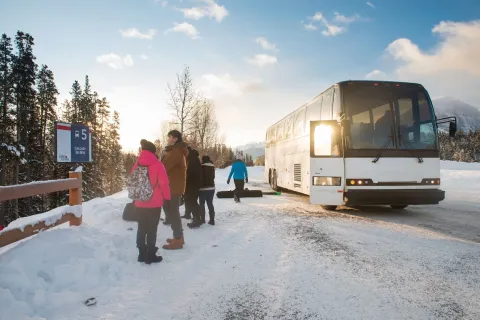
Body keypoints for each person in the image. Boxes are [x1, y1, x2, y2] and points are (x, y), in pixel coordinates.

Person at [130, 139, 171, 264]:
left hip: (140, 202)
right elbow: (164, 184)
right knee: (152, 229)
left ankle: (141, 254)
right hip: (154, 204)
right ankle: (150, 254)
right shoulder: (158, 164)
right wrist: (167, 198)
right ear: (154, 152)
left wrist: (134, 198)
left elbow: (133, 182)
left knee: (141, 228)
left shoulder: (137, 164)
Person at [161, 130, 188, 250]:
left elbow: (164, 167)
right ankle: (178, 236)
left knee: (172, 211)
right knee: (169, 209)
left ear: (175, 139)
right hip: (171, 186)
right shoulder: (173, 151)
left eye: (170, 137)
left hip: (174, 187)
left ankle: (178, 239)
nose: (168, 139)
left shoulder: (176, 151)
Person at [185, 147, 204, 228]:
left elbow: (191, 173)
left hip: (192, 185)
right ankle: (197, 218)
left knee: (192, 203)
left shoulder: (192, 159)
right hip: (193, 185)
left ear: (188, 151)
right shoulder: (192, 158)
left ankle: (197, 219)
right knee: (192, 202)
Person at [198, 155, 216, 225]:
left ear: (203, 160)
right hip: (211, 188)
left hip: (203, 189)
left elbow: (200, 177)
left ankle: (202, 219)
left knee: (202, 204)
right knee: (210, 203)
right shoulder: (212, 167)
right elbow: (213, 177)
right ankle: (212, 220)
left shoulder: (201, 167)